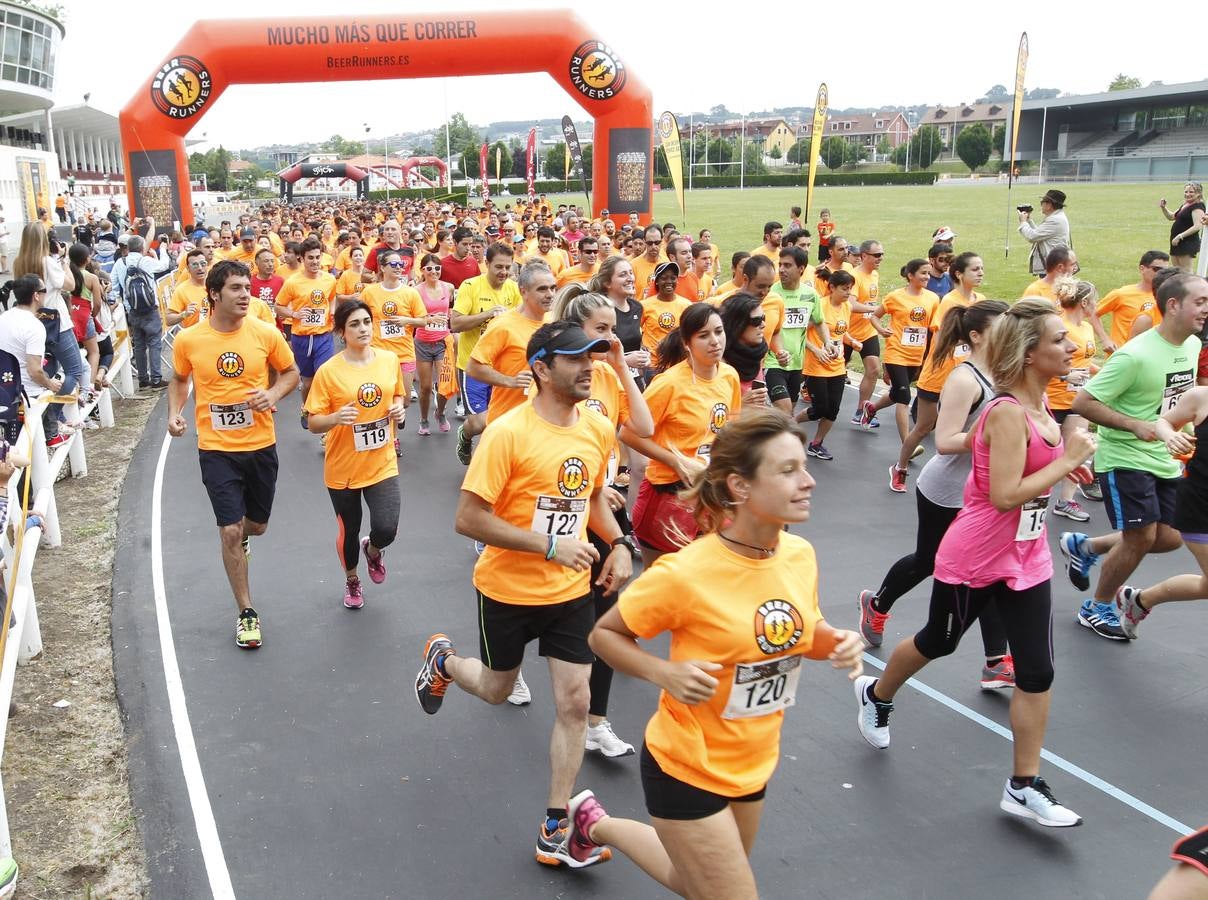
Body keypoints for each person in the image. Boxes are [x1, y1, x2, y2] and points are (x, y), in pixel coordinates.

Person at [569, 410, 863, 896]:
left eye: (804, 466)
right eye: (787, 470)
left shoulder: (798, 555)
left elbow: (799, 632)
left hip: (754, 760)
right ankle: (593, 824)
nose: (808, 480)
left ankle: (593, 825)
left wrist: (836, 640)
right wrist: (665, 673)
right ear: (740, 486)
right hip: (687, 765)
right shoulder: (686, 573)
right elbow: (605, 636)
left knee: (691, 882)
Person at [855, 299, 1094, 827]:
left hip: (1026, 558)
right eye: (1060, 340)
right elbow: (1006, 495)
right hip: (977, 555)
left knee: (1037, 670)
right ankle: (875, 693)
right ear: (1031, 355)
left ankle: (1023, 785)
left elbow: (1034, 468)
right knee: (938, 642)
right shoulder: (1006, 411)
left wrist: (1064, 463)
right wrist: (1068, 464)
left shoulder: (1042, 408)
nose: (1071, 347)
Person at [412, 321, 632, 869]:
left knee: (575, 700)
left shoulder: (597, 428)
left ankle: (556, 823)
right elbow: (467, 518)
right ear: (541, 368)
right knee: (494, 688)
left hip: (568, 591)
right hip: (506, 590)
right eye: (576, 358)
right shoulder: (507, 434)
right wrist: (548, 545)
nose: (590, 368)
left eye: (594, 357)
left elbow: (593, 498)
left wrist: (621, 542)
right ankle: (443, 661)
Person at [857, 300, 1015, 690]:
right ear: (976, 336)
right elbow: (944, 441)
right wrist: (996, 436)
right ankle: (876, 605)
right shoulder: (965, 380)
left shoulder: (1008, 373)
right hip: (947, 491)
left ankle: (997, 661)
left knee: (991, 572)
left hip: (986, 492)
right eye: (1002, 327)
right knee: (928, 561)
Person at [1063, 273, 1207, 640]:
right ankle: (1097, 606)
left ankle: (1087, 547)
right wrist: (1135, 425)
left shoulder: (1190, 345)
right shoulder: (1134, 355)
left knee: (1171, 537)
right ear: (1173, 305)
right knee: (1140, 536)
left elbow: (1177, 398)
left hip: (1164, 455)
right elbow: (1084, 402)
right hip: (1125, 455)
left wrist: (1182, 432)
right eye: (1201, 302)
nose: (1207, 310)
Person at [167, 260, 300, 649]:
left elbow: (290, 373)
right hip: (216, 449)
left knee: (255, 527)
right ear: (214, 294)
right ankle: (246, 612)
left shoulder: (265, 332)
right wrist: (175, 415)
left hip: (260, 445)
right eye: (237, 289)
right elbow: (179, 379)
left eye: (248, 288)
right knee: (230, 530)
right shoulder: (189, 340)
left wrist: (272, 394)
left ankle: (243, 537)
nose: (247, 295)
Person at [546, 289, 653, 753]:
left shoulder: (608, 376)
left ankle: (595, 722)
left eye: (614, 329)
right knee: (556, 613)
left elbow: (643, 428)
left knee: (606, 616)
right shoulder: (554, 376)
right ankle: (505, 670)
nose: (612, 339)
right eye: (602, 330)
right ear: (576, 332)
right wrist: (586, 483)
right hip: (559, 510)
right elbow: (541, 442)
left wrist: (623, 366)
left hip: (603, 509)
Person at [622, 303, 741, 567]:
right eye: (703, 335)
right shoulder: (669, 384)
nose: (715, 341)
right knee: (662, 587)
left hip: (709, 493)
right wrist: (675, 461)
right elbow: (628, 434)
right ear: (687, 343)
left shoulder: (729, 376)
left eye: (719, 332)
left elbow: (728, 430)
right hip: (667, 495)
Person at [304, 301, 406, 610]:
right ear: (341, 332)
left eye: (366, 322)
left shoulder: (389, 360)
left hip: (382, 461)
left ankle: (373, 551)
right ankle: (352, 579)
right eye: (354, 324)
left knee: (387, 527)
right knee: (349, 531)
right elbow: (312, 422)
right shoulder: (329, 371)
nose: (363, 329)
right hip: (343, 466)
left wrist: (399, 407)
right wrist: (335, 418)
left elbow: (397, 392)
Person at [897, 252, 986, 480]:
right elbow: (942, 341)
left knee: (961, 431)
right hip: (939, 376)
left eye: (981, 268)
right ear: (959, 274)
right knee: (924, 428)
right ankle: (900, 467)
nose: (980, 273)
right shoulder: (949, 302)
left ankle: (956, 478)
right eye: (975, 269)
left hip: (966, 380)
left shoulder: (981, 300)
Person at [862, 260, 939, 476]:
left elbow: (933, 327)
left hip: (917, 355)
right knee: (904, 397)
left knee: (898, 393)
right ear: (910, 275)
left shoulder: (933, 299)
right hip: (896, 353)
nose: (927, 277)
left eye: (928, 274)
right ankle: (908, 444)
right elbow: (874, 316)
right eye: (923, 273)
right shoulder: (895, 296)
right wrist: (881, 330)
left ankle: (871, 408)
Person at [451, 243, 521, 465]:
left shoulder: (513, 289)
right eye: (498, 266)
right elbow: (455, 323)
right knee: (481, 423)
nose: (503, 272)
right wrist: (489, 314)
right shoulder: (470, 286)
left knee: (501, 421)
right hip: (473, 366)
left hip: (502, 367)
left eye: (508, 267)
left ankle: (491, 468)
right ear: (487, 264)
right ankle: (466, 433)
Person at [467, 260, 556, 430]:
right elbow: (473, 368)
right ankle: (466, 433)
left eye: (553, 288)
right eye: (542, 289)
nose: (550, 294)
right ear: (524, 291)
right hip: (506, 421)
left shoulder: (555, 321)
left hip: (543, 420)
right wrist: (511, 381)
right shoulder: (503, 325)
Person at [1048, 278, 1100, 523]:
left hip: (1077, 399)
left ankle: (1066, 500)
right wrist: (1065, 374)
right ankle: (1028, 496)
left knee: (1077, 449)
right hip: (1051, 398)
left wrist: (1102, 373)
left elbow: (1084, 361)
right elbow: (1041, 358)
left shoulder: (1087, 328)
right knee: (1042, 452)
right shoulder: (1059, 326)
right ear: (1084, 302)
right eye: (1095, 300)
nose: (1097, 305)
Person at [275, 237, 338, 426]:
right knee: (308, 382)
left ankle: (324, 419)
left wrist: (332, 312)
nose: (315, 262)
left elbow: (332, 298)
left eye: (318, 257)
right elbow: (279, 307)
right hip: (301, 338)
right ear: (302, 258)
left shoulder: (329, 279)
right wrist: (294, 313)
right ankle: (306, 407)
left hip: (323, 336)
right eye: (310, 258)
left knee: (323, 376)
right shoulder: (293, 282)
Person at [801, 270, 860, 459]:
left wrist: (852, 341)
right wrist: (817, 350)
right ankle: (789, 424)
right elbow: (801, 333)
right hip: (816, 365)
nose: (848, 293)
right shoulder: (820, 307)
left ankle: (816, 443)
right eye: (844, 289)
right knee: (820, 408)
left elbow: (841, 333)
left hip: (838, 366)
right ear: (832, 288)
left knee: (833, 410)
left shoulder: (846, 308)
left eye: (850, 289)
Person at [763, 246, 822, 416]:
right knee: (785, 407)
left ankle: (773, 435)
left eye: (787, 265)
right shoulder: (770, 292)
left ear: (801, 269)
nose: (781, 269)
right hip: (772, 361)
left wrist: (827, 343)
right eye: (780, 265)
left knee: (788, 413)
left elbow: (819, 321)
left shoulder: (810, 294)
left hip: (796, 363)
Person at [108, 230, 170, 391]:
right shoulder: (145, 261)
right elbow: (164, 265)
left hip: (132, 309)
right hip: (150, 308)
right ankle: (156, 378)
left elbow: (114, 285)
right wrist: (162, 249)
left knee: (139, 345)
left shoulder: (120, 263)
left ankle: (143, 380)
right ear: (142, 247)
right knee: (155, 343)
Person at [849, 240, 890, 427]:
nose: (880, 258)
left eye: (882, 254)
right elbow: (851, 304)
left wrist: (873, 314)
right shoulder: (854, 276)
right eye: (877, 255)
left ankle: (861, 411)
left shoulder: (874, 275)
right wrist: (874, 309)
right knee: (832, 373)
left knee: (873, 370)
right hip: (846, 332)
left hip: (867, 331)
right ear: (864, 256)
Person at [413, 252, 453, 434]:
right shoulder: (416, 291)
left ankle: (441, 412)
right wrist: (429, 318)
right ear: (423, 270)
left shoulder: (449, 288)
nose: (434, 271)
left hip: (442, 341)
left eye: (437, 268)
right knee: (426, 387)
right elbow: (413, 316)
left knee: (444, 385)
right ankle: (423, 419)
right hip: (423, 341)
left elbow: (451, 309)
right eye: (429, 268)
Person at [1096, 251, 1170, 348]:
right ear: (1142, 268)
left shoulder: (1166, 297)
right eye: (1157, 269)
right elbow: (1093, 313)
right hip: (1122, 353)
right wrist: (1105, 339)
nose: (1161, 274)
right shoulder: (1121, 294)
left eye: (1165, 270)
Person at [639, 262, 692, 371]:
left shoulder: (686, 305)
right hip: (653, 365)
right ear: (657, 281)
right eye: (664, 278)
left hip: (678, 364)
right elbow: (634, 329)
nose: (669, 282)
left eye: (673, 278)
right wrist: (641, 345)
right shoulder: (645, 305)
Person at [719, 293, 769, 402]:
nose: (763, 324)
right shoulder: (720, 363)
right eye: (756, 321)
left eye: (763, 318)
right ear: (737, 324)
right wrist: (741, 403)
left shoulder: (757, 352)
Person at [1019, 189, 1071, 276]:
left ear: (1049, 205)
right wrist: (1028, 220)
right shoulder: (1057, 217)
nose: (1041, 205)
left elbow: (1032, 237)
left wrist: (1023, 222)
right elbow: (1039, 234)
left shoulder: (1055, 220)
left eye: (1042, 202)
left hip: (1053, 267)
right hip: (1056, 265)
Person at [1160, 182, 1206, 272]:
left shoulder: (1198, 207)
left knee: (1186, 270)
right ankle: (1180, 286)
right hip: (1176, 241)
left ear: (1198, 193)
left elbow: (1197, 226)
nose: (1188, 194)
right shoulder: (1186, 204)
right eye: (1186, 192)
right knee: (1177, 270)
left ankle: (1191, 286)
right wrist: (1163, 208)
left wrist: (1180, 236)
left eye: (1191, 192)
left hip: (1187, 241)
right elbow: (1172, 217)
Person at [167, 249, 209, 328]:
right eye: (195, 265)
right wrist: (184, 314)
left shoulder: (216, 285)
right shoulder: (181, 290)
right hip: (195, 337)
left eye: (203, 264)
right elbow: (168, 320)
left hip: (217, 335)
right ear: (188, 268)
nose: (200, 268)